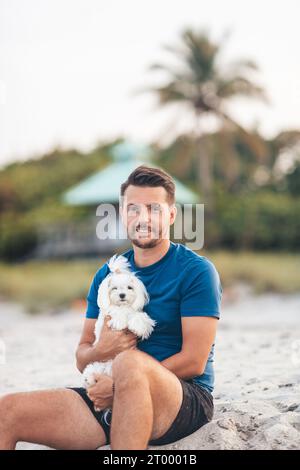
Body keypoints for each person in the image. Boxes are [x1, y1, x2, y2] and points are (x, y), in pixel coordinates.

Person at [0, 165, 222, 450]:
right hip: (108, 397)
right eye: (133, 209)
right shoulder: (107, 276)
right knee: (7, 411)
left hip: (182, 398)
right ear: (122, 214)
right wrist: (100, 352)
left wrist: (119, 386)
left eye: (153, 209)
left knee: (129, 362)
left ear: (170, 215)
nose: (142, 218)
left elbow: (194, 360)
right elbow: (82, 356)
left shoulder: (197, 271)